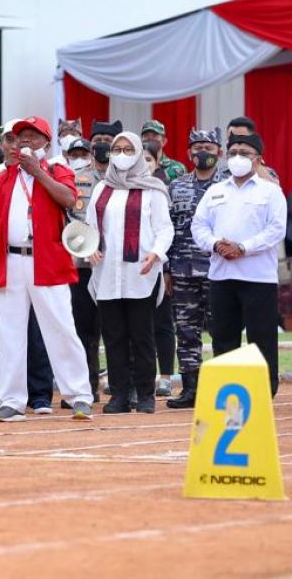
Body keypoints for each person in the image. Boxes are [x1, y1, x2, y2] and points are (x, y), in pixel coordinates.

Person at [0, 116, 94, 421]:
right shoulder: (3, 178)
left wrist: (38, 173)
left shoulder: (57, 169)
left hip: (46, 260)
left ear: (46, 142)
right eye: (19, 137)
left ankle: (79, 395)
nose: (24, 141)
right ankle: (12, 400)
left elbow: (69, 199)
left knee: (61, 327)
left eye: (32, 136)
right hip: (10, 260)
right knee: (11, 332)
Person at [191, 132, 286, 396]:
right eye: (233, 152)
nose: (238, 158)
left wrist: (243, 247)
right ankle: (226, 391)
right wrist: (215, 244)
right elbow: (198, 225)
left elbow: (276, 230)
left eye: (245, 153)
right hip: (221, 276)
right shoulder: (216, 190)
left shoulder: (271, 191)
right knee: (223, 338)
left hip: (259, 278)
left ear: (258, 159)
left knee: (262, 337)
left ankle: (264, 392)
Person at [85, 132, 173, 415]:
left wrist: (156, 253)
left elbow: (164, 229)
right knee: (113, 336)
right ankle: (120, 394)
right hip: (108, 272)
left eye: (127, 149)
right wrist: (90, 249)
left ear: (137, 153)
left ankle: (145, 394)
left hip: (140, 273)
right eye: (116, 149)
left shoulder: (153, 189)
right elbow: (90, 228)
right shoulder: (101, 190)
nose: (121, 154)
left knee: (142, 335)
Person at [165, 128, 222, 409]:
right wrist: (167, 270)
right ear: (188, 153)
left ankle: (222, 389)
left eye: (208, 148)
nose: (203, 153)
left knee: (222, 331)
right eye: (197, 147)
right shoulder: (177, 187)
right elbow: (168, 229)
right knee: (186, 331)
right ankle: (190, 389)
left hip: (219, 270)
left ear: (219, 152)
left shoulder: (227, 185)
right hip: (183, 270)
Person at [65, 137, 101, 401]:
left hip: (111, 266)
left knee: (116, 328)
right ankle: (87, 388)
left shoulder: (121, 178)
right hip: (81, 264)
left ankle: (126, 389)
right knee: (82, 329)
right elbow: (69, 217)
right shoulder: (77, 179)